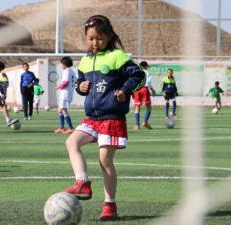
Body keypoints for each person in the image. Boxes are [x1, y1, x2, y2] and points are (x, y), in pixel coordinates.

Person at [62, 15, 145, 221]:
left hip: (112, 118)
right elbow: (80, 83)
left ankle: (110, 205)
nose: (94, 42)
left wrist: (125, 90)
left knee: (104, 160)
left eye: (99, 38)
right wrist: (80, 87)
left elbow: (139, 76)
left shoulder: (117, 56)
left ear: (108, 36)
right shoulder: (86, 59)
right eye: (90, 38)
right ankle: (82, 182)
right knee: (72, 141)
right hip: (92, 118)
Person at [0, 61, 18, 130]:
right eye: (1, 69)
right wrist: (2, 93)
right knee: (3, 105)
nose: (0, 71)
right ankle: (8, 120)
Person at [55, 56, 76, 134]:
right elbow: (74, 82)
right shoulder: (72, 71)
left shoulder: (66, 71)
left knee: (63, 110)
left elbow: (65, 82)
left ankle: (71, 128)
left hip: (65, 93)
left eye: (62, 63)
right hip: (69, 93)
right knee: (60, 109)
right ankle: (62, 128)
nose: (61, 65)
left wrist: (58, 86)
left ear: (64, 64)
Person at [132, 61, 156, 130]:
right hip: (144, 89)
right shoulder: (147, 73)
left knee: (137, 107)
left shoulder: (135, 72)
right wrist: (152, 90)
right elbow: (148, 83)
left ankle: (137, 125)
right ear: (145, 66)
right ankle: (145, 122)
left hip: (137, 90)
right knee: (148, 106)